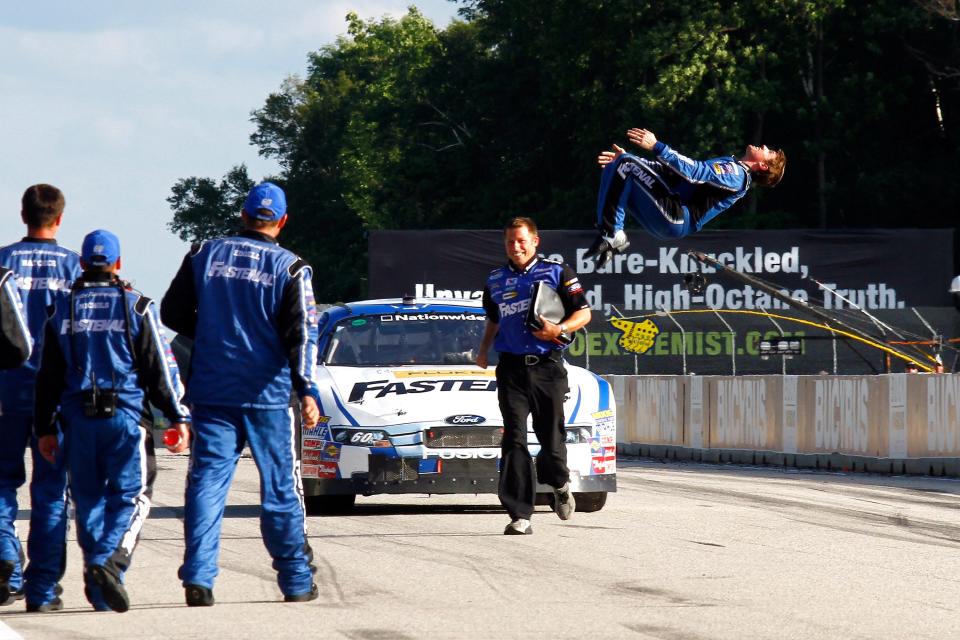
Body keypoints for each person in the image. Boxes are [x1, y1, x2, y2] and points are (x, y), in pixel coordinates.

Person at [160, 182, 321, 606]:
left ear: (243, 216)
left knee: (207, 483)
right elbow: (303, 334)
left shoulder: (203, 253)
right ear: (282, 222)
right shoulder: (291, 268)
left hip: (212, 389)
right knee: (280, 488)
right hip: (268, 394)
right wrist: (306, 388)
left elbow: (171, 313)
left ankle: (198, 577)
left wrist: (212, 334)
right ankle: (296, 581)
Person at [34, 229, 190, 613]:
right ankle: (110, 561)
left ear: (83, 263)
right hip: (125, 419)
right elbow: (159, 370)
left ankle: (100, 583)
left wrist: (44, 428)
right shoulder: (136, 307)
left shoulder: (61, 309)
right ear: (118, 263)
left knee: (87, 501)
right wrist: (178, 416)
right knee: (132, 496)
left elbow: (48, 376)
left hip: (76, 421)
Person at [476, 217, 592, 535]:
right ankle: (519, 514)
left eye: (522, 240)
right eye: (510, 242)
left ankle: (559, 483)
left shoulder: (557, 272)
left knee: (551, 442)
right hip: (511, 368)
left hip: (547, 367)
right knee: (514, 438)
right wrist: (484, 350)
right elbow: (493, 318)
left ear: (535, 241)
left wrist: (560, 329)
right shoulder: (496, 279)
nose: (516, 247)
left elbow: (585, 313)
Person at [0, 184, 81, 613]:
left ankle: (7, 562)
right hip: (56, 395)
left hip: (6, 390)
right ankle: (43, 588)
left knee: (0, 483)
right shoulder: (74, 267)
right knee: (51, 492)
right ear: (60, 218)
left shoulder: (2, 262)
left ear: (23, 214)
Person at [587, 127, 787, 266]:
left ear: (763, 166)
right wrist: (631, 161)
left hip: (676, 217)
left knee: (625, 164)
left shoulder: (737, 174)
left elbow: (694, 171)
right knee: (616, 167)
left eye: (768, 152)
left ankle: (613, 235)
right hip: (670, 217)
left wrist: (657, 146)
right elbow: (673, 175)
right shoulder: (733, 166)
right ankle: (609, 233)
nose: (764, 146)